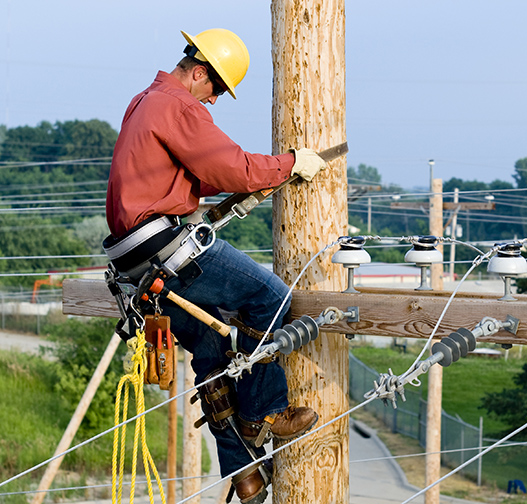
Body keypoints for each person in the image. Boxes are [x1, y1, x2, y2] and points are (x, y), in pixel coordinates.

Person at [106, 28, 326, 504]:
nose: (214, 102)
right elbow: (233, 167)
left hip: (134, 264)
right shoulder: (178, 105)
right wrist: (289, 164)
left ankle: (244, 474)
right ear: (201, 73)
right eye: (217, 91)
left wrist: (246, 183)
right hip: (168, 249)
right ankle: (265, 412)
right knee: (271, 298)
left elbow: (188, 176)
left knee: (211, 351)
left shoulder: (144, 101)